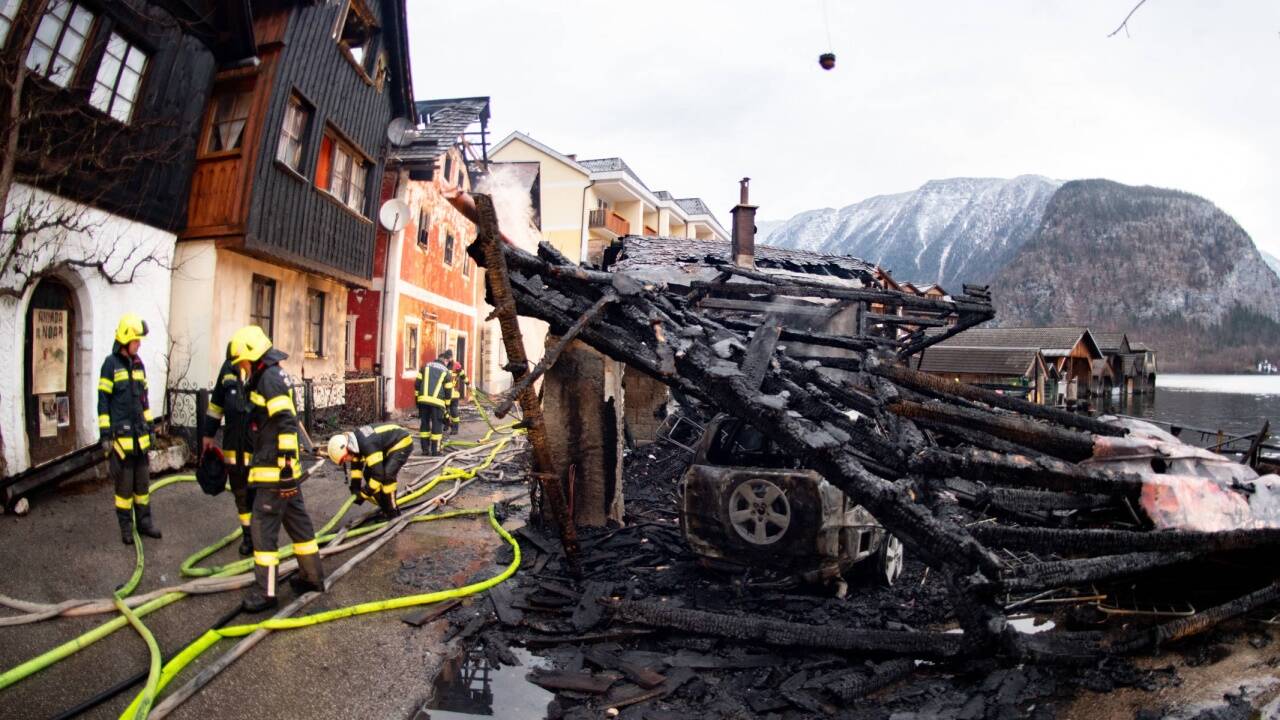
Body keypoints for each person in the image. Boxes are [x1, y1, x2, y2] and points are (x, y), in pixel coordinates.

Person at [231, 325, 324, 612]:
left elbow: (285, 421)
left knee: (262, 529)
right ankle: (312, 576)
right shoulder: (273, 374)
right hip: (284, 473)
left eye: (242, 363)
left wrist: (283, 469)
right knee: (298, 524)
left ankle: (266, 593)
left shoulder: (268, 379)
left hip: (274, 472)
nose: (242, 369)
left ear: (252, 356)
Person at [98, 314, 160, 545]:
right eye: (136, 340)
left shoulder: (139, 364)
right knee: (124, 490)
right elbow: (103, 401)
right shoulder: (110, 365)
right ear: (124, 340)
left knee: (142, 487)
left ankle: (145, 524)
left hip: (140, 439)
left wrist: (151, 427)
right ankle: (126, 528)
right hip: (122, 442)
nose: (139, 344)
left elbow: (144, 400)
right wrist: (105, 435)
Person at [201, 343, 255, 556]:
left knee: (257, 494)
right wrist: (208, 434)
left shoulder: (260, 375)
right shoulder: (227, 373)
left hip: (256, 448)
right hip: (234, 448)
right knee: (240, 494)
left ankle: (261, 536)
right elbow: (216, 406)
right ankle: (248, 536)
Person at [326, 424, 414, 520]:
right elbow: (356, 468)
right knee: (368, 474)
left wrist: (364, 494)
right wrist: (355, 488)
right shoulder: (354, 443)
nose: (346, 461)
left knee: (387, 476)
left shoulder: (367, 445)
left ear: (347, 448)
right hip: (386, 445)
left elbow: (378, 475)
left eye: (345, 458)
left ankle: (393, 513)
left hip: (401, 441)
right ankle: (385, 508)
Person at [414, 349, 453, 456]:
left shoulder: (425, 366)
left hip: (423, 400)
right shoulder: (446, 372)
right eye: (448, 362)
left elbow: (417, 384)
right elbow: (448, 391)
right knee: (437, 424)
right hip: (437, 402)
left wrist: (417, 401)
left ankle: (425, 450)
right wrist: (447, 407)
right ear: (445, 360)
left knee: (424, 423)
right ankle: (436, 451)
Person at [446, 360, 468, 436]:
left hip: (447, 395)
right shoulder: (457, 369)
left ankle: (447, 426)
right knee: (454, 412)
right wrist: (468, 384)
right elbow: (463, 376)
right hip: (455, 395)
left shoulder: (445, 371)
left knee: (444, 411)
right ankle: (455, 429)